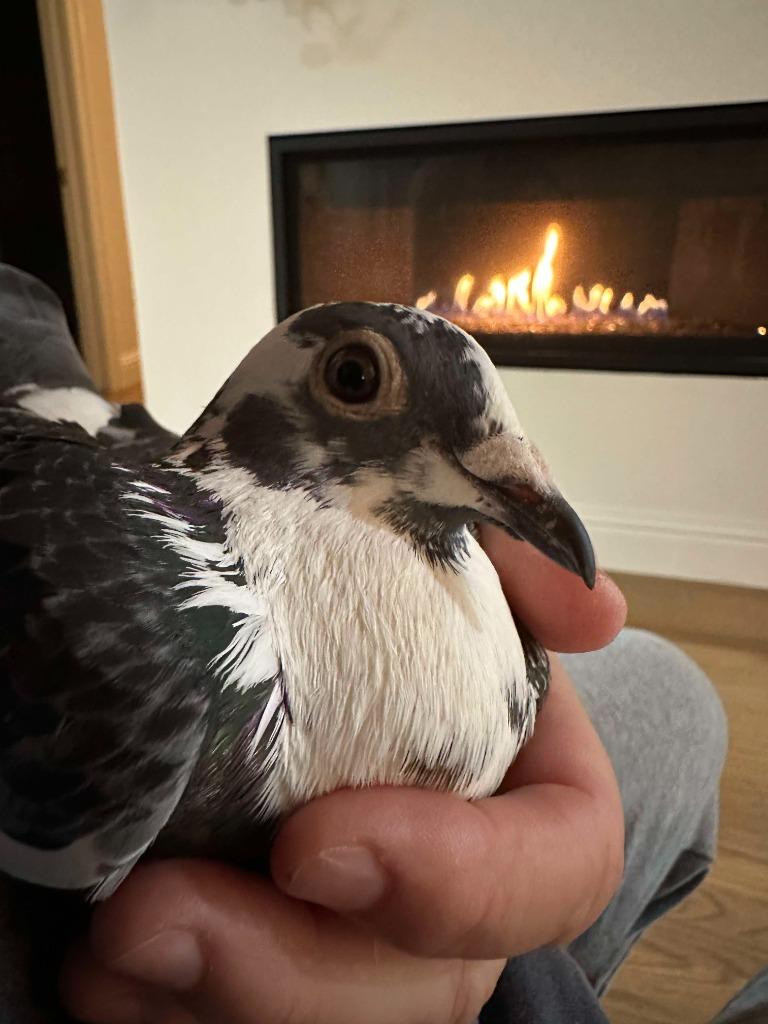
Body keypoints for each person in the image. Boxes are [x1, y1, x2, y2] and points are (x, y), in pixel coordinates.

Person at [1, 265, 763, 1023]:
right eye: (358, 377)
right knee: (675, 698)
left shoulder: (508, 657)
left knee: (679, 700)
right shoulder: (124, 640)